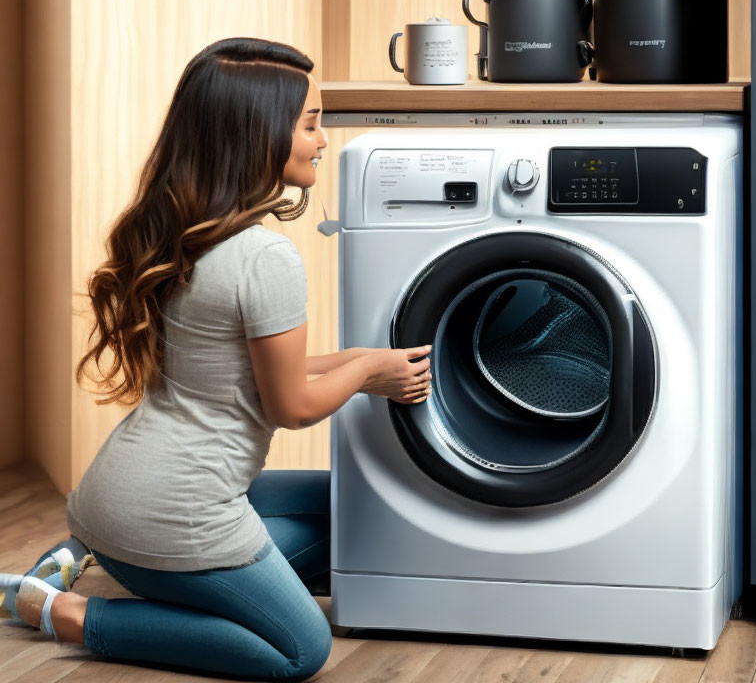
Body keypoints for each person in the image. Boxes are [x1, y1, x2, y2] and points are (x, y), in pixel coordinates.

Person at [0, 37, 432, 680]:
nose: (322, 140)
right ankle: (65, 613)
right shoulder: (266, 257)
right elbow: (290, 406)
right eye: (311, 125)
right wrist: (369, 374)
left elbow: (237, 372)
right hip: (178, 514)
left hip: (108, 507)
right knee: (299, 649)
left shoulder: (185, 231)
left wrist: (360, 357)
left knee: (358, 507)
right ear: (259, 135)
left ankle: (83, 556)